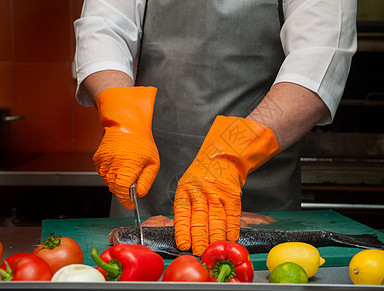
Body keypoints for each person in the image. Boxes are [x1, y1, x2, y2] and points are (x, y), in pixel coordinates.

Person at [74, 0, 357, 256]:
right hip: (148, 181)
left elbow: (318, 61)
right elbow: (103, 28)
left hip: (257, 186)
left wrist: (231, 153)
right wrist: (123, 122)